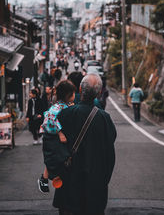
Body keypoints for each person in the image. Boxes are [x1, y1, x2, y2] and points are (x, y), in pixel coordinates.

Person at [43, 73, 117, 215]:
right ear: (99, 93)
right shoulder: (104, 119)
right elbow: (110, 155)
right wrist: (103, 181)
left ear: (80, 90)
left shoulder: (64, 114)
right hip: (95, 189)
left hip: (68, 187)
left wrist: (55, 172)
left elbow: (50, 144)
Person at [38, 80, 76, 193]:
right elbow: (49, 120)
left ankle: (45, 179)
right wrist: (60, 132)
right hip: (52, 137)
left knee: (55, 159)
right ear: (68, 95)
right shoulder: (57, 107)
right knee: (55, 159)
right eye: (73, 94)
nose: (75, 96)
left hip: (54, 137)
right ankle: (46, 179)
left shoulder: (64, 105)